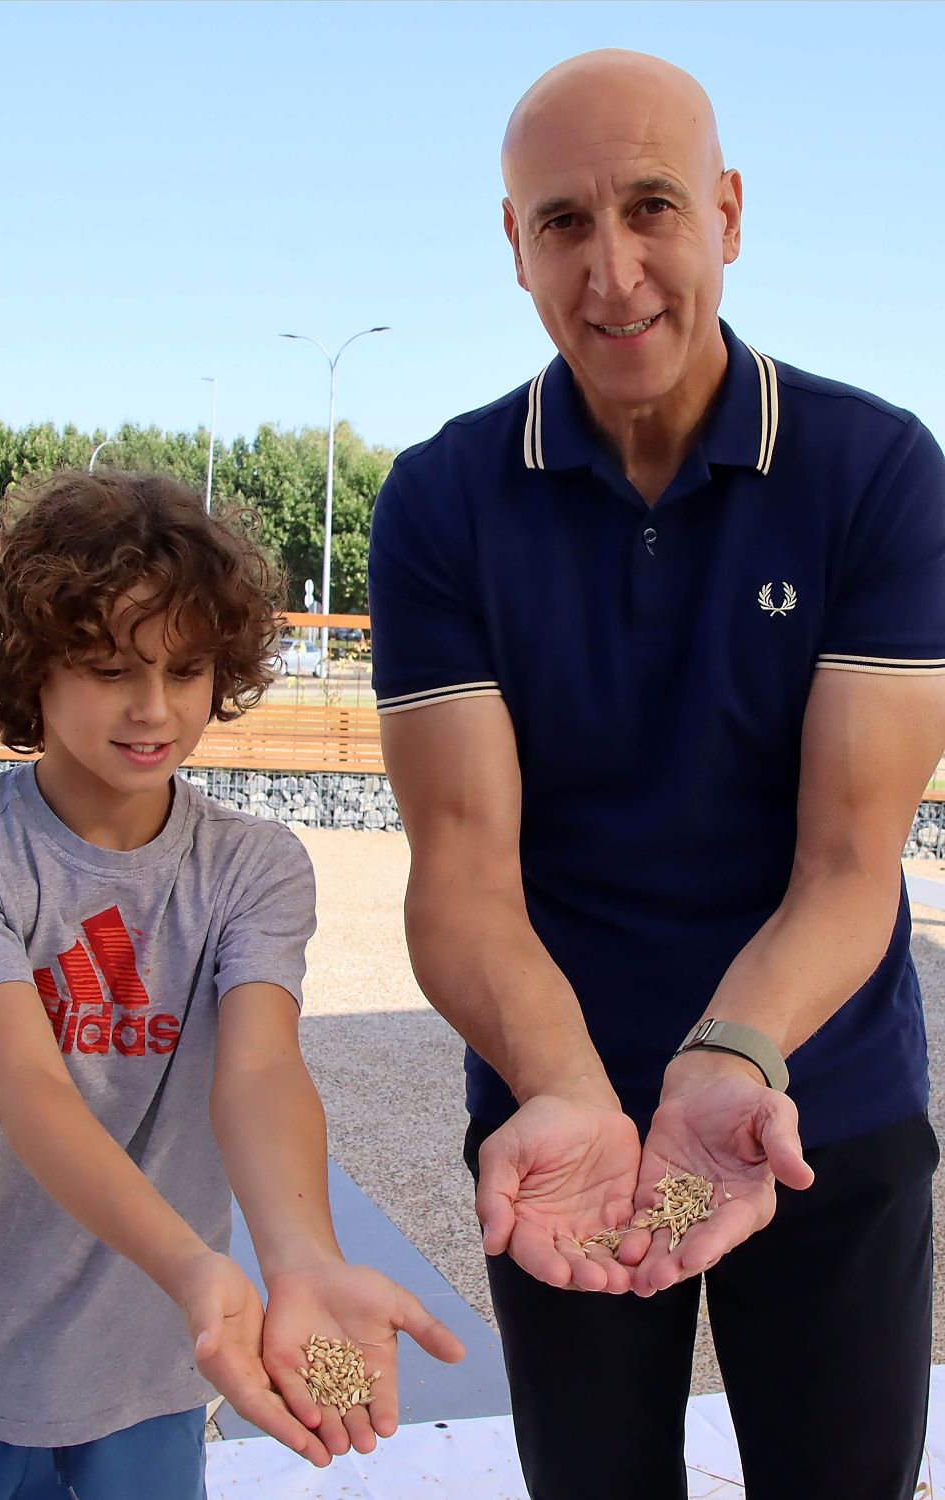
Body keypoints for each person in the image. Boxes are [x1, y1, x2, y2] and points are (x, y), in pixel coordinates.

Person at [368, 47, 945, 1500]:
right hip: (561, 1125)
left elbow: (848, 864)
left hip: (808, 1104)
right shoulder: (441, 500)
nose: (614, 271)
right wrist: (566, 1088)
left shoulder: (877, 472)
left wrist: (729, 1061)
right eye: (563, 222)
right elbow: (463, 877)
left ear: (729, 214)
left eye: (653, 209)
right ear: (514, 244)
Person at [0, 470, 463, 1500]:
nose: (154, 711)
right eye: (107, 669)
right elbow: (31, 1090)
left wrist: (301, 1255)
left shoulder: (252, 866)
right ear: (30, 670)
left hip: (159, 1359)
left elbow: (260, 1070)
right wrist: (193, 1267)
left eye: (185, 671)